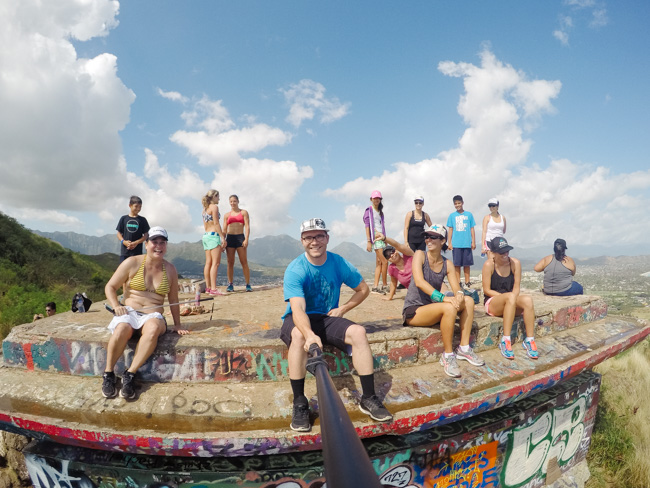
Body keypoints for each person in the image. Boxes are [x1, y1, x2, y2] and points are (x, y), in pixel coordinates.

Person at [281, 218, 393, 432]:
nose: (315, 242)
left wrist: (342, 309)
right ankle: (300, 402)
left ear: (327, 238)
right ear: (302, 241)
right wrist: (309, 334)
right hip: (299, 318)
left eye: (319, 236)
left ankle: (368, 398)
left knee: (358, 332)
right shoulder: (295, 269)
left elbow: (363, 289)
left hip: (327, 317)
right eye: (309, 237)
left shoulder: (338, 262)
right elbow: (298, 309)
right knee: (298, 335)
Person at [102, 227, 189, 400]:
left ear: (166, 245)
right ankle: (108, 373)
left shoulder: (170, 270)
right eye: (154, 242)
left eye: (162, 242)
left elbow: (173, 300)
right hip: (130, 311)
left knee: (153, 329)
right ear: (147, 244)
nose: (158, 246)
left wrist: (177, 324)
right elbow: (110, 287)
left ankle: (130, 374)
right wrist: (115, 305)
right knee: (122, 328)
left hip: (153, 314)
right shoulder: (132, 262)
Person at [402, 224, 485, 378]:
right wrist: (444, 298)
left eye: (433, 237)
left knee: (468, 301)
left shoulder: (447, 264)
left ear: (443, 240)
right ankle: (447, 356)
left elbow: (456, 287)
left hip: (432, 308)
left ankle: (464, 348)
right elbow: (419, 282)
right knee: (449, 308)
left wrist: (459, 294)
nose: (428, 240)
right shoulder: (420, 255)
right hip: (415, 310)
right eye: (427, 236)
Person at [482, 236, 539, 360]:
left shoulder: (515, 263)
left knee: (527, 300)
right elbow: (487, 290)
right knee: (510, 297)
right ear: (493, 253)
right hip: (493, 302)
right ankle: (505, 340)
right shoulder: (489, 265)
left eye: (506, 251)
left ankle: (529, 339)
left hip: (510, 301)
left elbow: (516, 287)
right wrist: (507, 298)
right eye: (501, 252)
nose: (505, 254)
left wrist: (511, 299)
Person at [223, 195, 252, 292]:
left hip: (240, 238)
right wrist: (223, 240)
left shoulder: (243, 212)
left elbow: (247, 226)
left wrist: (246, 239)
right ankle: (230, 284)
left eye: (234, 201)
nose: (232, 203)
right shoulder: (227, 215)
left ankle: (248, 284)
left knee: (244, 262)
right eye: (231, 201)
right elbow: (224, 229)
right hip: (230, 238)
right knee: (230, 263)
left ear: (238, 201)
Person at [373, 233, 415, 301]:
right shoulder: (392, 268)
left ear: (396, 251)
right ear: (387, 259)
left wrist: (385, 238)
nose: (391, 255)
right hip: (415, 294)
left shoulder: (409, 256)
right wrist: (390, 297)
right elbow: (393, 282)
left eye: (391, 252)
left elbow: (397, 245)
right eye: (387, 256)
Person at [446, 195, 476, 287]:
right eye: (455, 204)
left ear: (462, 203)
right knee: (457, 264)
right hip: (456, 243)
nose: (457, 205)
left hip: (466, 243)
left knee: (467, 264)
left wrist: (473, 241)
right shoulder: (452, 216)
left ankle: (467, 281)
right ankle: (458, 282)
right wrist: (449, 242)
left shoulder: (469, 215)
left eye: (459, 203)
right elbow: (450, 229)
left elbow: (472, 229)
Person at [201, 189, 226, 296]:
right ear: (214, 196)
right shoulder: (214, 207)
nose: (219, 198)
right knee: (215, 263)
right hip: (213, 236)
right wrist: (222, 238)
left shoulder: (204, 210)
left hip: (206, 236)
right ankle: (214, 289)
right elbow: (216, 223)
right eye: (218, 196)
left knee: (208, 263)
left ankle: (208, 287)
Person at [363, 190, 388, 294]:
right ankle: (385, 285)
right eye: (374, 198)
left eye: (378, 198)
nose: (376, 200)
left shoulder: (380, 212)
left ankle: (375, 286)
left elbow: (382, 226)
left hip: (381, 238)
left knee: (379, 263)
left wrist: (385, 238)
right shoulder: (369, 210)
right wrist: (369, 241)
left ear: (380, 199)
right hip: (375, 239)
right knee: (385, 262)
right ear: (371, 199)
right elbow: (367, 226)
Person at [116, 196, 150, 264]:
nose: (138, 209)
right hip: (125, 252)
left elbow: (146, 235)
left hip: (137, 253)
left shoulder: (142, 220)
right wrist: (124, 242)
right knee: (123, 273)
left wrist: (136, 242)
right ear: (130, 205)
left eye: (140, 207)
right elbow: (118, 233)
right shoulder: (123, 218)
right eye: (136, 206)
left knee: (136, 273)